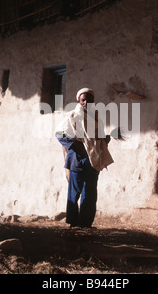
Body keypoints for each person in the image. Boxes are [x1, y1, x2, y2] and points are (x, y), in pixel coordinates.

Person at [55, 88, 113, 228]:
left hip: (92, 160)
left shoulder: (96, 118)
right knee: (74, 193)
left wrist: (104, 140)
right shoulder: (72, 116)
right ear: (78, 101)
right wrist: (76, 145)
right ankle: (73, 223)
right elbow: (60, 134)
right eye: (83, 100)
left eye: (90, 100)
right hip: (77, 159)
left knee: (90, 193)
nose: (86, 102)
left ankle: (86, 224)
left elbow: (96, 138)